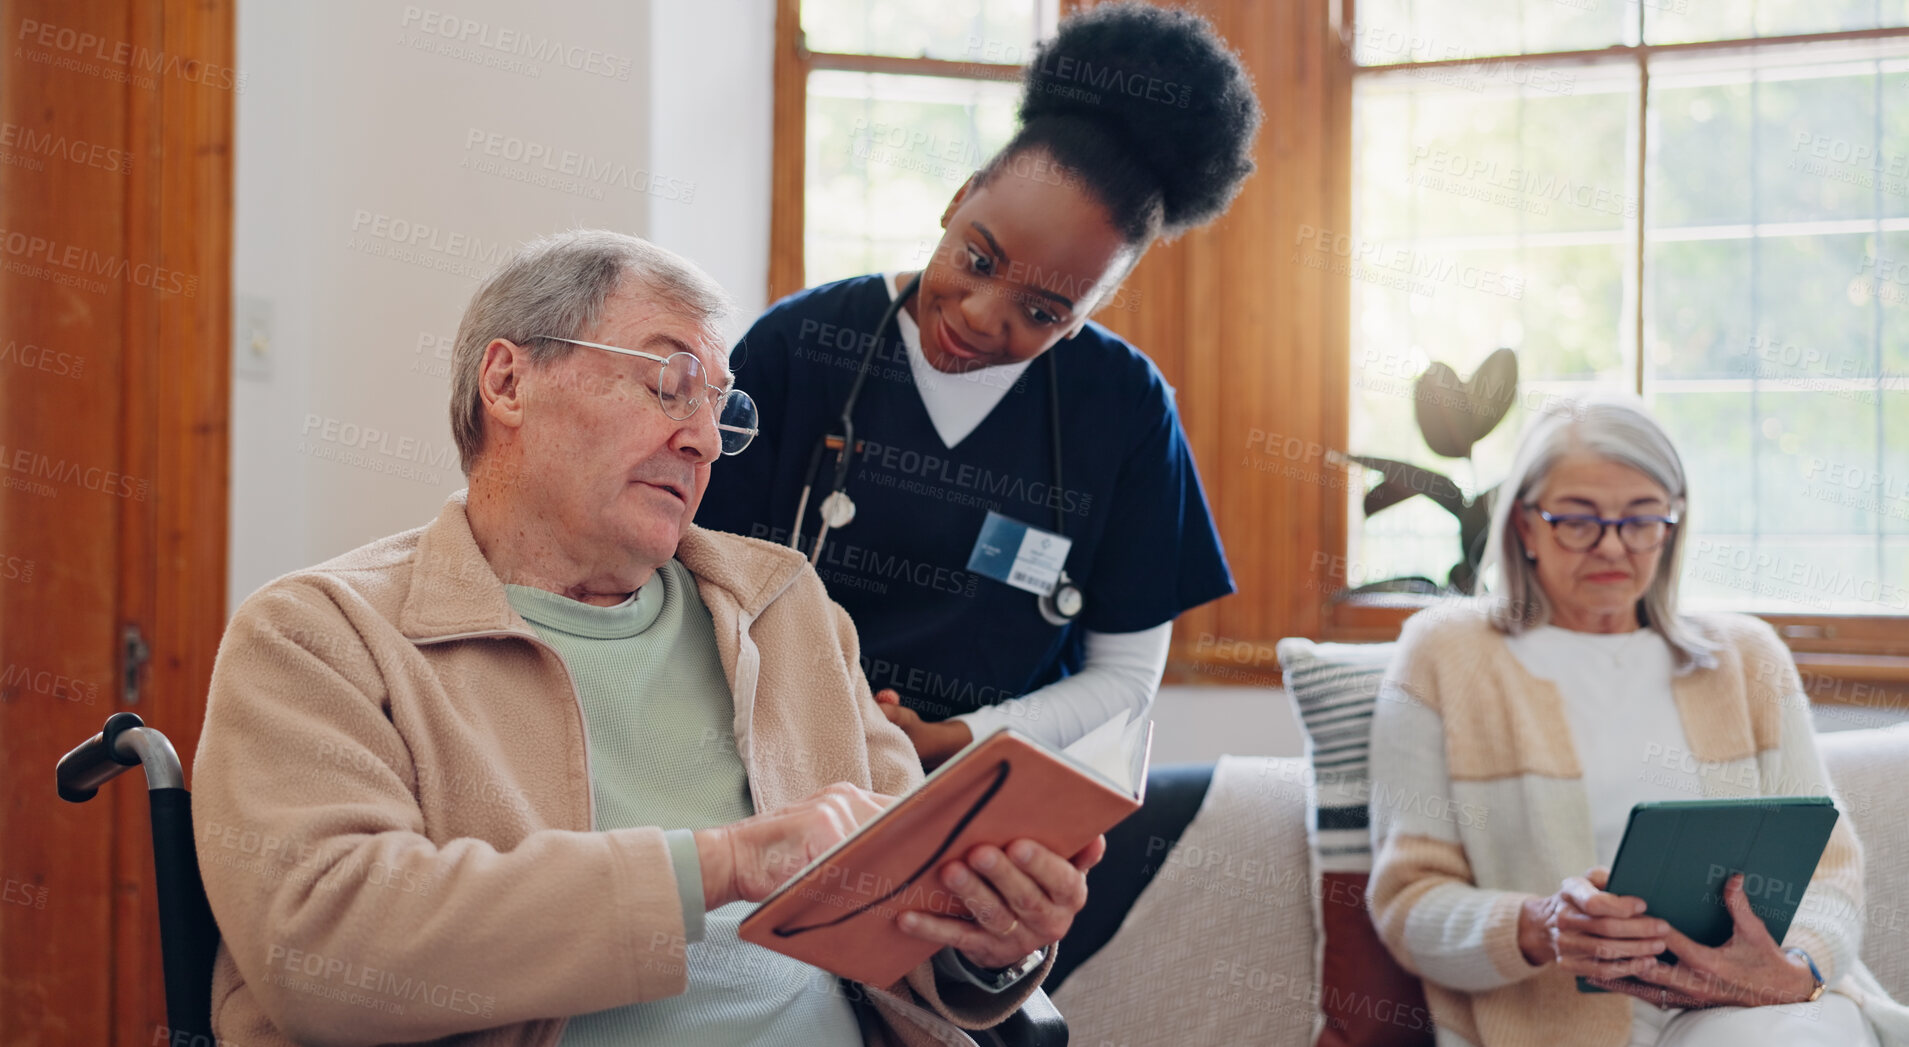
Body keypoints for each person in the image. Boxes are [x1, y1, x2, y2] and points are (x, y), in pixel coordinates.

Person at [192, 230, 1101, 1047]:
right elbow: (321, 947)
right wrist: (727, 863)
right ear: (507, 382)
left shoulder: (788, 612)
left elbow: (903, 909)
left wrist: (986, 937)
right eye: (670, 381)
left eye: (721, 408)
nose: (704, 438)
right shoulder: (319, 634)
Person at [695, 3, 1261, 985]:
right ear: (957, 199)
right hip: (770, 782)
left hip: (977, 812)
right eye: (978, 259)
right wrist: (846, 742)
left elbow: (1123, 681)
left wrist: (955, 742)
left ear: (1090, 312)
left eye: (1044, 311)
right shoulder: (800, 347)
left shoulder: (1123, 411)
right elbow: (687, 586)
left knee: (951, 982)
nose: (980, 318)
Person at [1367, 398, 1900, 1047]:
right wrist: (1537, 924)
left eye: (1641, 518)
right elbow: (1407, 901)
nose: (1612, 545)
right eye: (1577, 521)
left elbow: (1830, 868)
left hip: (1761, 1008)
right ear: (1524, 525)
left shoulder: (1747, 658)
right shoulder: (1444, 654)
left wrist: (1795, 968)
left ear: (1671, 524)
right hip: (1557, 1023)